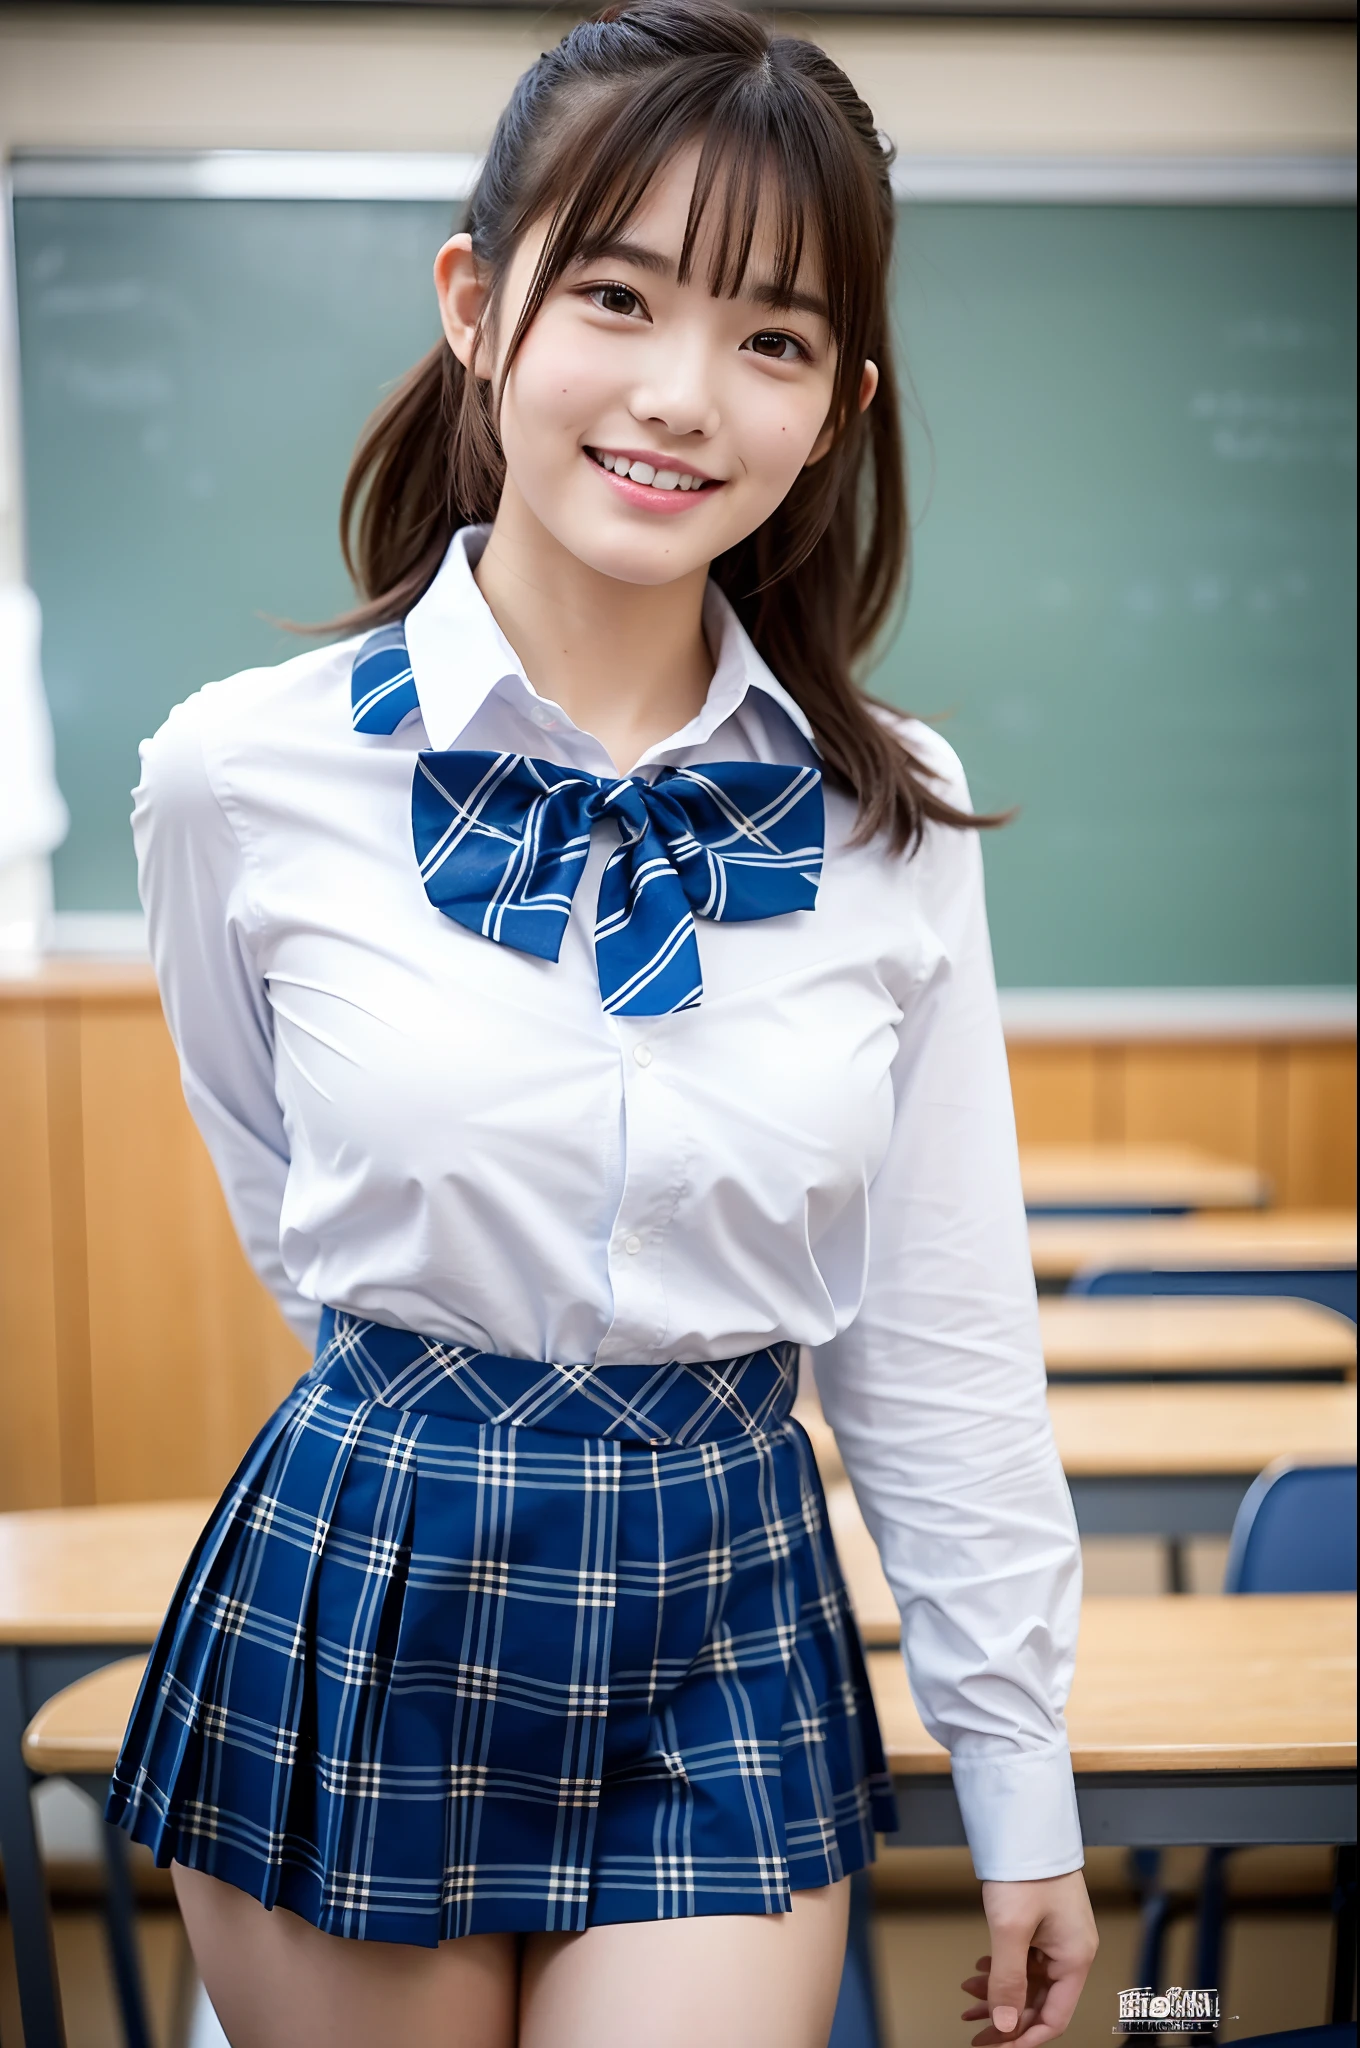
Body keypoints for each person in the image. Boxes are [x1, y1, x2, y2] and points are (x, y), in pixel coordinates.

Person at [106, 5, 1099, 2043]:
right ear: (476, 303)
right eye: (619, 295)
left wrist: (1019, 1783)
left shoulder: (888, 811)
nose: (680, 394)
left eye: (770, 337)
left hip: (726, 1583)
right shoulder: (238, 772)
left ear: (833, 405)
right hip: (368, 1568)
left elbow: (929, 1326)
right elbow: (285, 1194)